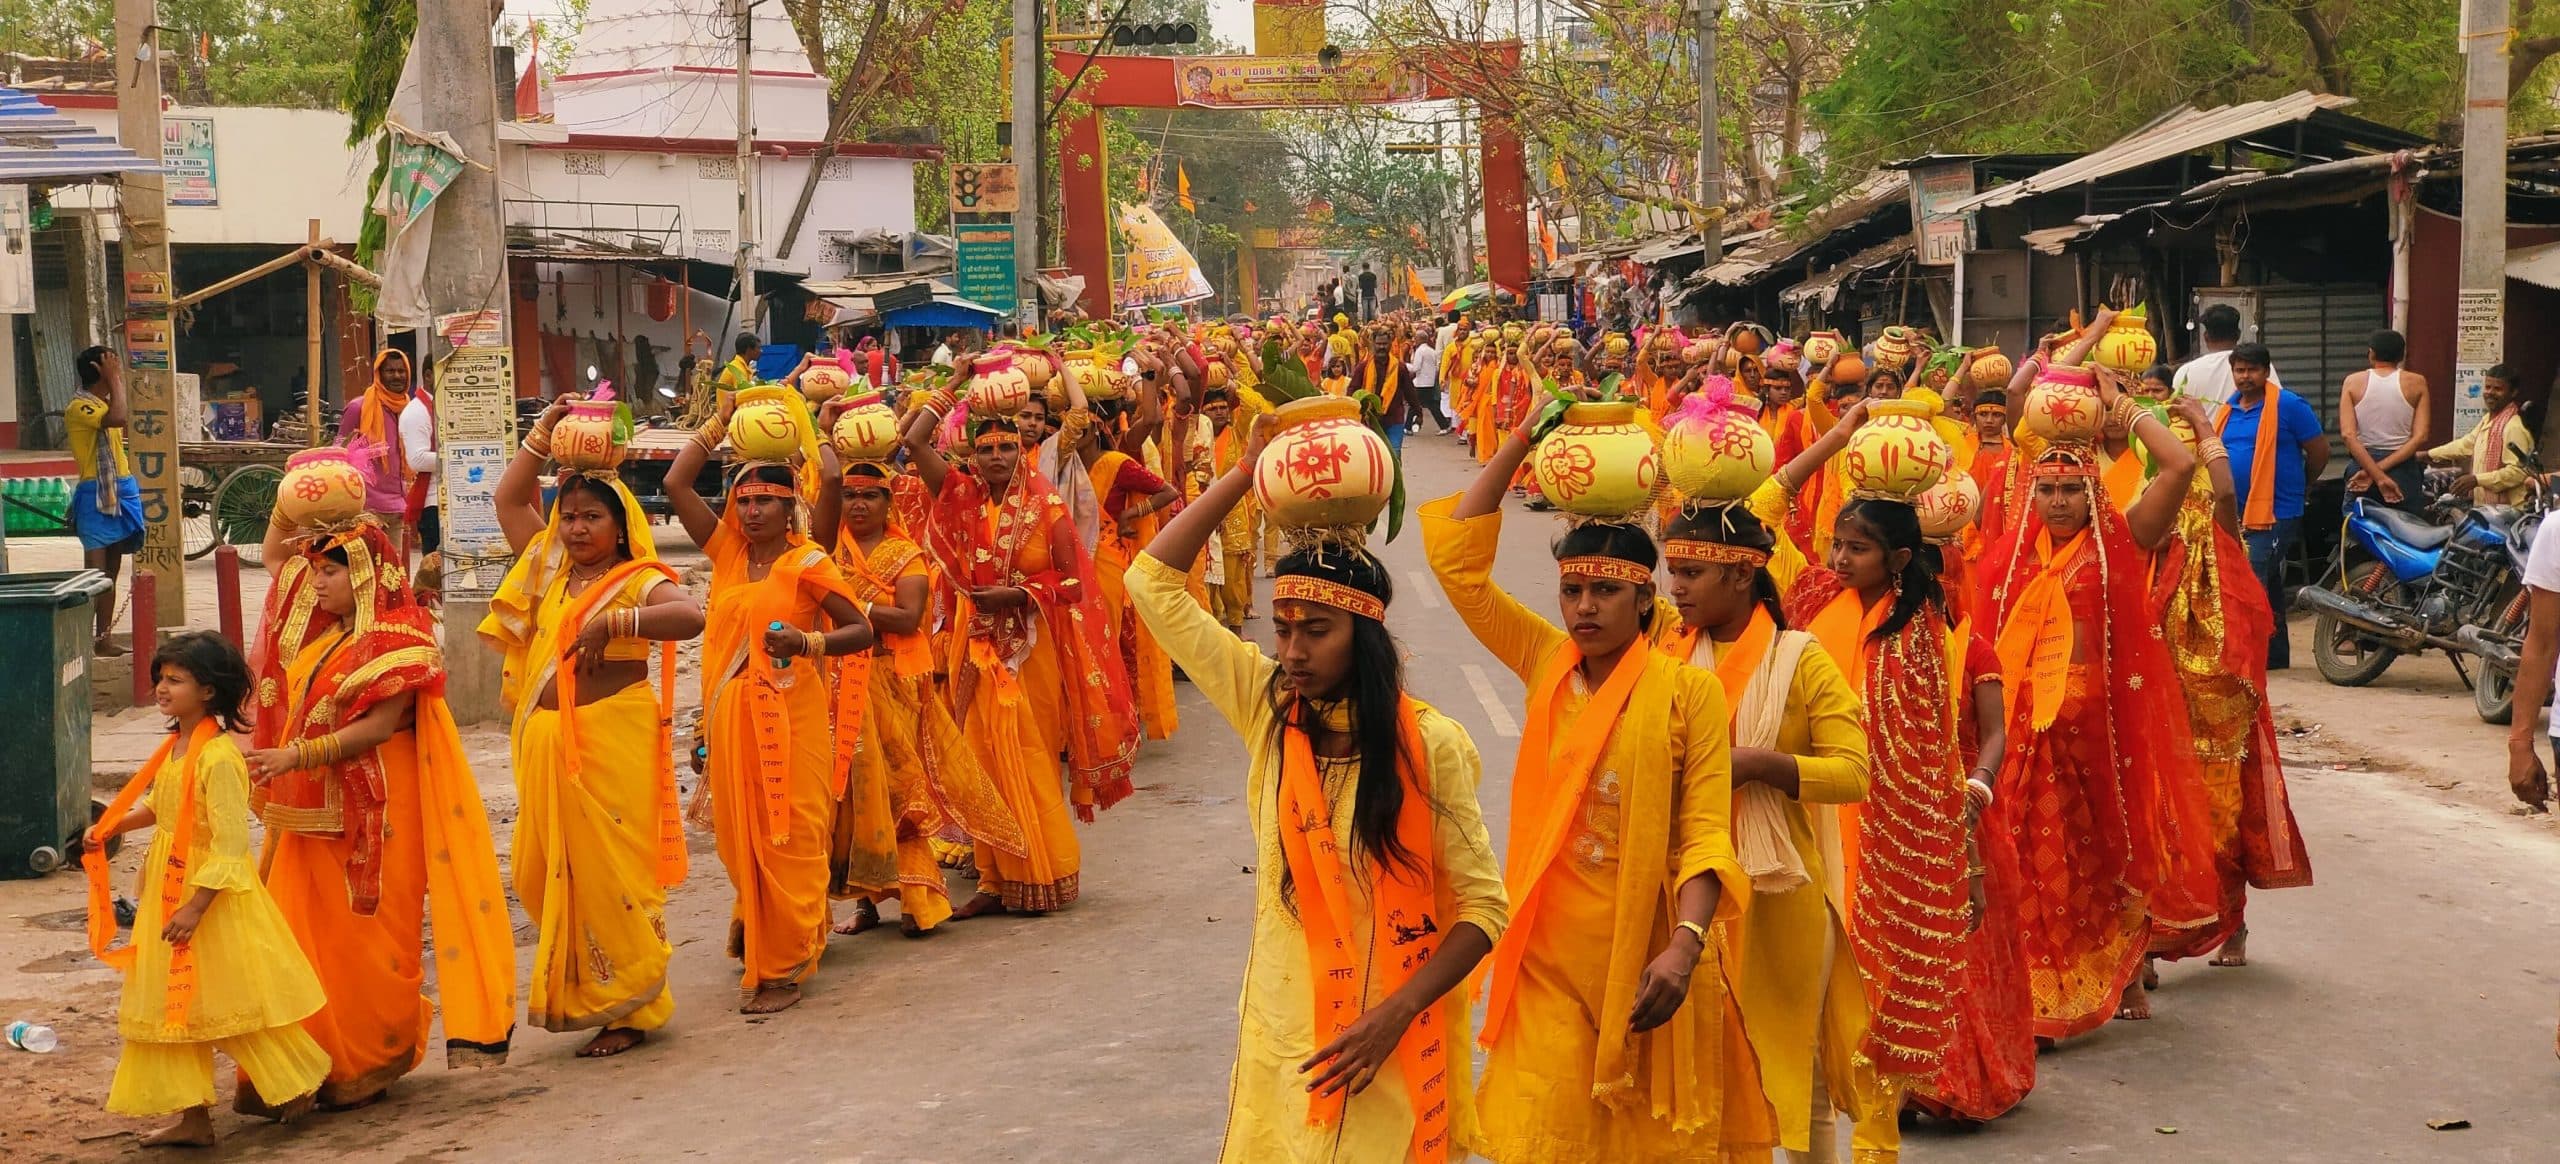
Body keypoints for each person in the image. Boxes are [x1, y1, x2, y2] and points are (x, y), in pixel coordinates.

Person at [1132, 428, 1508, 1162]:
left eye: (1317, 631)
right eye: (1282, 630)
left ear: (1363, 635)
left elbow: (1484, 909)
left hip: (1386, 1043)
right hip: (1284, 1030)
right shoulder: (1268, 708)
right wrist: (1248, 467)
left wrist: (1394, 1014)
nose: (1294, 652)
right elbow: (1150, 581)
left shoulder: (1431, 745)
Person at [1425, 418, 1771, 1161]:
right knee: (1544, 1136)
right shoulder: (1546, 659)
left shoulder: (1689, 693)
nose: (1584, 607)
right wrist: (1520, 437)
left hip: (1646, 954)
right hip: (1546, 950)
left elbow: (1706, 831)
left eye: (1606, 591)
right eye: (1572, 589)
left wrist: (1686, 944)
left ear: (1646, 600)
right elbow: (1459, 569)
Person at [1755, 402, 2001, 1157]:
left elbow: (1937, 760)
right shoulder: (1808, 601)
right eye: (1835, 542)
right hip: (1804, 841)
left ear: (1897, 559)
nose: (1837, 558)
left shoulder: (1925, 634)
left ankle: (1874, 1148)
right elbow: (1762, 505)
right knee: (1803, 1023)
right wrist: (1837, 434)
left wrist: (1960, 854)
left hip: (1885, 860)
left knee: (1871, 1030)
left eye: (1856, 549)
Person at [1975, 370, 2222, 1030]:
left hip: (2099, 729)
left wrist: (2124, 406)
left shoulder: (2121, 539)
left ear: (2092, 493)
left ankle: (2120, 971)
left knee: (2108, 853)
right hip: (2030, 733)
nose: (2058, 502)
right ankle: (2039, 988)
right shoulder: (2010, 558)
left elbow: (2175, 463)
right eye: (2048, 490)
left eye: (2071, 490)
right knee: (2031, 861)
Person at [246, 515, 514, 1108]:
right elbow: (272, 558)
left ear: (366, 576)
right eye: (313, 571)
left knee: (370, 935)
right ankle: (306, 1062)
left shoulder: (399, 639)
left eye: (330, 571)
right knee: (300, 932)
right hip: (310, 809)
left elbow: (380, 726)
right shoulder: (323, 636)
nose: (316, 583)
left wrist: (297, 753)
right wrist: (290, 511)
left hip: (381, 807)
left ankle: (368, 1058)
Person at [1650, 496, 1877, 1162]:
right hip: (1682, 885)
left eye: (1693, 572)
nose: (1676, 586)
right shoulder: (1662, 650)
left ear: (1743, 575)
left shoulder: (1798, 660)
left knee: (1791, 1081)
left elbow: (1853, 773)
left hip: (1779, 897)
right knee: (1697, 1079)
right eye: (1673, 569)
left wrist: (1757, 765)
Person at [479, 396, 707, 1055]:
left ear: (619, 523)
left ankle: (632, 1007)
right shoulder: (548, 572)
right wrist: (543, 433)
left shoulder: (635, 580)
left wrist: (616, 623)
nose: (577, 529)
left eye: (591, 518)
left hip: (608, 747)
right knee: (538, 872)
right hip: (545, 748)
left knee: (609, 880)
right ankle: (594, 994)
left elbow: (688, 615)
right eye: (569, 517)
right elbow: (507, 499)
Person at [901, 358, 1136, 917]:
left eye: (1007, 449)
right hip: (972, 645)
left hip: (1031, 648)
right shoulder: (958, 495)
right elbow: (913, 439)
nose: (998, 457)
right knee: (978, 758)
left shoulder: (1047, 505)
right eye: (986, 450)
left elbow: (1074, 580)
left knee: (1029, 758)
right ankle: (990, 879)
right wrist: (954, 382)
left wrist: (1019, 595)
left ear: (1021, 452)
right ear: (972, 455)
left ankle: (1046, 871)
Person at [664, 413, 877, 1014]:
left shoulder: (808, 563)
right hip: (733, 715)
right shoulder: (728, 553)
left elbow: (859, 630)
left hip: (792, 714)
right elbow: (679, 485)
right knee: (739, 840)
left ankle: (783, 966)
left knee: (795, 834)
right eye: (745, 499)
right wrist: (718, 420)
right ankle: (768, 926)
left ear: (792, 511)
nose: (752, 511)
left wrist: (808, 645)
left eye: (767, 501)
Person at [88, 632, 332, 1146]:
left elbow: (230, 846)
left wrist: (196, 907)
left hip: (209, 899)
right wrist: (111, 825)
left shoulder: (219, 758)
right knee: (171, 1008)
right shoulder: (175, 747)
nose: (161, 688)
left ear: (208, 692)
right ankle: (193, 1118)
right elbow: (161, 808)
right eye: (160, 678)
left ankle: (294, 1084)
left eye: (175, 680)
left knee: (222, 1001)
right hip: (168, 890)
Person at [816, 448, 1026, 936]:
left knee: (899, 793)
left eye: (870, 495)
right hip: (841, 682)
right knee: (852, 796)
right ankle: (867, 903)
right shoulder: (832, 550)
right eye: (849, 495)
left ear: (889, 503)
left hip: (893, 682)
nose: (858, 505)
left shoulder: (905, 555)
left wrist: (849, 602)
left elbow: (908, 617)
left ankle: (921, 900)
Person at [2145, 396, 2314, 972]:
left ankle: (2231, 923)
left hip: (2219, 705)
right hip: (2157, 701)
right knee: (2154, 819)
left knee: (2220, 815)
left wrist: (2199, 425)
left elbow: (2222, 492)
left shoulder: (2216, 535)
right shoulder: (2140, 540)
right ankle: (2144, 941)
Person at [2218, 342, 2327, 670]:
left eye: (2252, 370)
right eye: (2239, 370)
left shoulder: (2289, 405)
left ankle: (2249, 658)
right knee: (2268, 578)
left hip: (2276, 509)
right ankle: (2275, 654)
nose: (2245, 376)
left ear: (2266, 371)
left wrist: (2302, 485)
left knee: (2252, 576)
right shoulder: (2228, 408)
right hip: (2237, 510)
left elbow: (2319, 451)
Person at [64, 346, 145, 655]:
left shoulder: (102, 401)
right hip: (93, 493)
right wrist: (114, 379)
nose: (119, 369)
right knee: (95, 575)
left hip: (120, 488)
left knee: (111, 571)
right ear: (100, 372)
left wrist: (114, 382)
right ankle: (83, 640)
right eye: (113, 364)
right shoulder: (80, 407)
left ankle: (104, 638)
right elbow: (120, 417)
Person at [2338, 329, 2430, 512]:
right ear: (2402, 355)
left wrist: (2373, 474)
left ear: (2371, 353)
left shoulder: (2352, 382)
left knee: (2357, 529)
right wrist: (2379, 474)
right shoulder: (2417, 382)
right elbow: (2420, 437)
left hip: (2361, 465)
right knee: (2407, 532)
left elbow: (2348, 435)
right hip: (2402, 468)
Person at [2425, 364, 2537, 507]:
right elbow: (2466, 444)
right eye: (2488, 387)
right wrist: (2428, 454)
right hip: (2488, 509)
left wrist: (2477, 480)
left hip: (2510, 511)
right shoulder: (2490, 419)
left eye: (2498, 389)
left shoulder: (2513, 426)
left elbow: (2517, 472)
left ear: (2513, 392)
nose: (2490, 393)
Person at [340, 349, 420, 529]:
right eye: (390, 371)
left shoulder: (409, 409)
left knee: (394, 558)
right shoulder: (358, 408)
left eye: (402, 371)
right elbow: (339, 451)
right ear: (378, 374)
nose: (397, 376)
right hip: (365, 507)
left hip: (398, 506)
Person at [2173, 303, 2280, 407]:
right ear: (2238, 335)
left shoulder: (2186, 372)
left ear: (2206, 337)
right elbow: (2277, 401)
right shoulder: (2258, 366)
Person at [398, 358, 440, 568]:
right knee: (436, 575)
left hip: (460, 501)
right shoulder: (417, 412)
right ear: (428, 375)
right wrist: (460, 458)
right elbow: (417, 459)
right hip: (434, 504)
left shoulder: (443, 405)